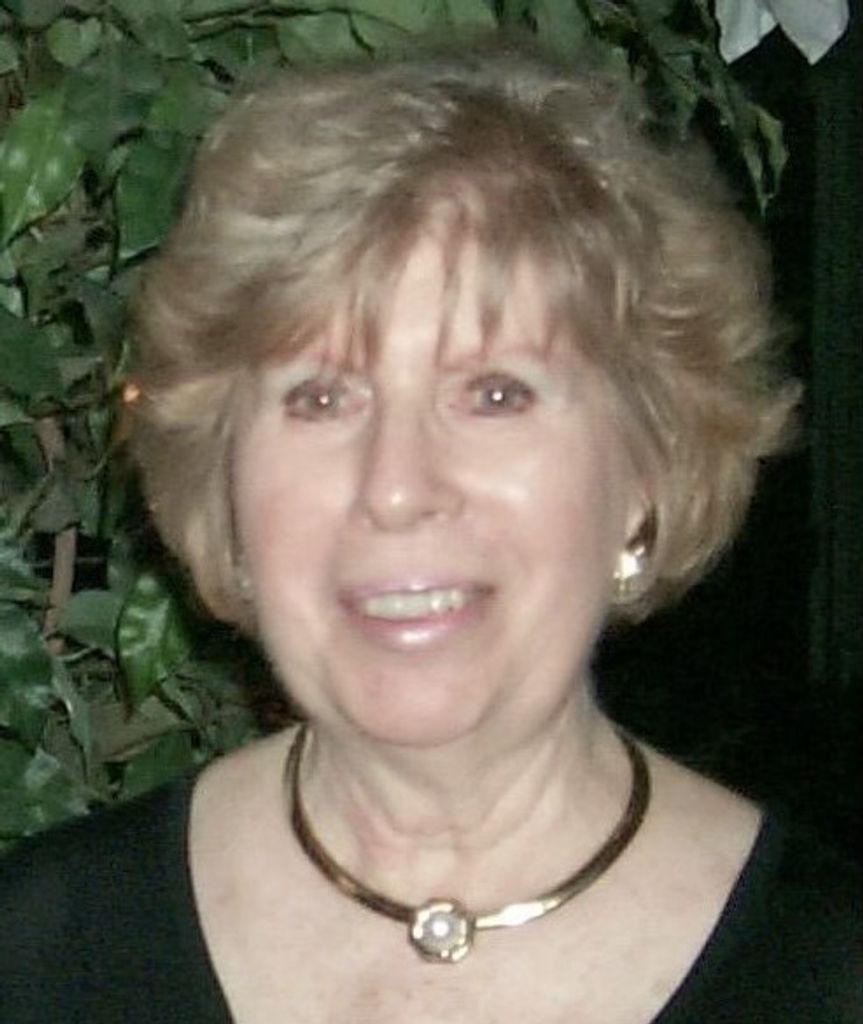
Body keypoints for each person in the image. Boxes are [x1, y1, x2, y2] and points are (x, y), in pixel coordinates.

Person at [1, 39, 860, 1024]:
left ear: (643, 472)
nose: (397, 487)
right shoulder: (39, 952)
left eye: (493, 394)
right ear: (225, 486)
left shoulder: (829, 973)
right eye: (321, 398)